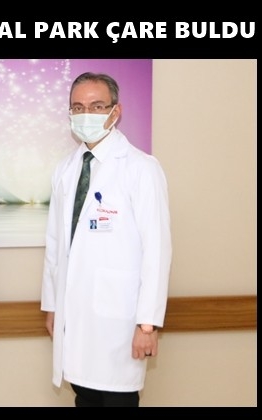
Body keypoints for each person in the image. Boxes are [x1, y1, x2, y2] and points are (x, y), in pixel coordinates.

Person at [41, 72, 172, 407]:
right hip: (75, 319)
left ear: (116, 111)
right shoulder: (66, 170)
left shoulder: (141, 168)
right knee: (84, 396)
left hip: (120, 321)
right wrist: (53, 306)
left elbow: (157, 252)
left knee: (117, 397)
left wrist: (147, 324)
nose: (86, 114)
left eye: (97, 106)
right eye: (78, 107)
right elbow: (55, 245)